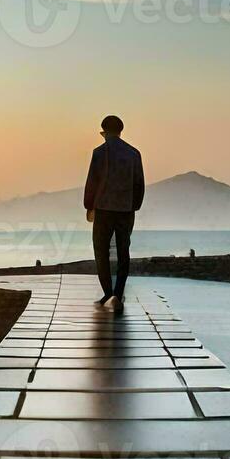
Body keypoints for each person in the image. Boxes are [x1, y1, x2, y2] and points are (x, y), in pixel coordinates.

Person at [83, 115, 145, 313]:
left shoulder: (99, 153)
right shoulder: (134, 154)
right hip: (126, 210)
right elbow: (139, 185)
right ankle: (118, 294)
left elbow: (92, 181)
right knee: (123, 251)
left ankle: (107, 292)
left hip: (103, 209)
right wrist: (133, 206)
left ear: (103, 130)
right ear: (121, 130)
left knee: (101, 251)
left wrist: (89, 206)